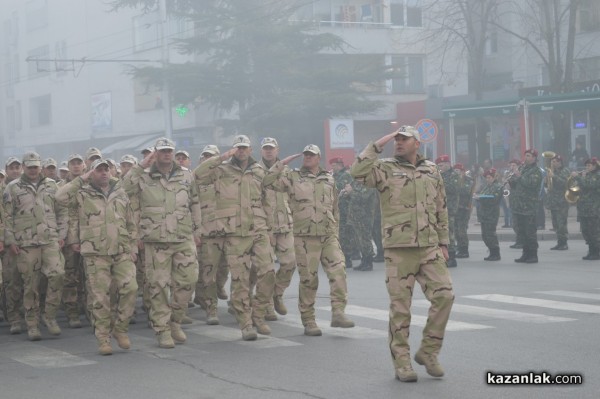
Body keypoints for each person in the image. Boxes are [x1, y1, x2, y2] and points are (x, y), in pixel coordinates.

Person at [350, 126, 454, 382]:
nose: (398, 143)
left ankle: (428, 352)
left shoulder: (431, 169)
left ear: (416, 143)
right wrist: (380, 142)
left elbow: (441, 207)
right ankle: (402, 363)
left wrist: (443, 242)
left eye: (403, 139)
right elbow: (357, 172)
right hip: (399, 250)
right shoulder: (384, 168)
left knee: (445, 296)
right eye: (396, 139)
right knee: (401, 309)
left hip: (429, 247)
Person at [263, 144, 355, 337]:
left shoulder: (329, 178)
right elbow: (268, 181)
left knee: (338, 271)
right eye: (305, 155)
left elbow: (335, 208)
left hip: (328, 235)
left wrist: (335, 232)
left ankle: (338, 312)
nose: (307, 158)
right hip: (305, 237)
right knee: (308, 280)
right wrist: (283, 162)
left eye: (311, 155)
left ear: (318, 157)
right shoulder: (293, 177)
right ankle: (309, 320)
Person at [194, 135, 275, 341]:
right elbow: (197, 175)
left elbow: (267, 198)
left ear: (250, 149)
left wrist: (271, 227)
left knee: (267, 272)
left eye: (244, 148)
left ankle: (258, 312)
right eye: (237, 148)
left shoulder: (259, 171)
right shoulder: (221, 170)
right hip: (234, 232)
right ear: (233, 150)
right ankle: (245, 322)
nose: (241, 151)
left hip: (258, 228)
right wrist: (221, 158)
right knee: (240, 279)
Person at [122, 137, 201, 348]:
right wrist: (141, 166)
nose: (166, 154)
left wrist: (198, 230)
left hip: (183, 236)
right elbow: (124, 188)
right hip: (156, 240)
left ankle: (175, 320)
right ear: (155, 153)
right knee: (158, 287)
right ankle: (162, 330)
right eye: (162, 151)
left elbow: (195, 202)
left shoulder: (186, 174)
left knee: (189, 280)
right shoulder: (143, 176)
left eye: (169, 151)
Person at [56, 159, 138, 355]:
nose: (103, 173)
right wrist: (82, 177)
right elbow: (59, 197)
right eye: (98, 170)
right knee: (100, 298)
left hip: (121, 249)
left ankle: (120, 328)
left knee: (131, 288)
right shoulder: (82, 192)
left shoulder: (120, 191)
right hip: (95, 252)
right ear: (91, 173)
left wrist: (133, 246)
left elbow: (130, 221)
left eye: (106, 169)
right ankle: (103, 338)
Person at [3, 152, 67, 341]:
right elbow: (7, 216)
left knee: (58, 275)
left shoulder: (51, 185)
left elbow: (62, 211)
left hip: (50, 240)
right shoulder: (12, 188)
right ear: (23, 167)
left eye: (35, 166)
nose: (32, 170)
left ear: (40, 167)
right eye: (29, 166)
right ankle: (32, 323)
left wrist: (61, 234)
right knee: (30, 284)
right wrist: (11, 240)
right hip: (26, 244)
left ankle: (50, 316)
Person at [258, 137, 297, 316]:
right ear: (261, 151)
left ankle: (277, 293)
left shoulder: (288, 171)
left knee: (289, 263)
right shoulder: (255, 171)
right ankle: (264, 303)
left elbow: (294, 193)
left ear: (277, 150)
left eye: (271, 148)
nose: (268, 151)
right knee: (265, 269)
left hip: (285, 224)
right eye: (266, 148)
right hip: (264, 226)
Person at [1, 157, 25, 334]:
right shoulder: (3, 190)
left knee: (30, 281)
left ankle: (29, 314)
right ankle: (14, 317)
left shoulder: (24, 188)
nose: (15, 171)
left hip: (26, 240)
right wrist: (6, 240)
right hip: (8, 242)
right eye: (12, 168)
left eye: (18, 167)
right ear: (6, 170)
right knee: (11, 281)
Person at [508, 149, 543, 263]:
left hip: (529, 206)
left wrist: (519, 175)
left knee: (530, 232)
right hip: (519, 206)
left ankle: (533, 255)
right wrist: (511, 179)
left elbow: (531, 184)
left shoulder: (536, 171)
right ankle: (525, 253)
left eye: (528, 156)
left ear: (534, 158)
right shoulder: (523, 168)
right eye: (525, 155)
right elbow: (515, 185)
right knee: (521, 231)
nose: (526, 158)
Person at [571, 158, 600, 260]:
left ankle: (596, 252)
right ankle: (591, 250)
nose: (587, 167)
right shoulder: (586, 176)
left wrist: (579, 178)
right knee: (585, 231)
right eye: (586, 165)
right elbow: (579, 188)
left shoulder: (597, 176)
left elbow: (589, 185)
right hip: (583, 208)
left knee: (594, 232)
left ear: (595, 166)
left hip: (593, 209)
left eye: (589, 165)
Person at [436, 155, 459, 267]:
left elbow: (453, 188)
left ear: (448, 164)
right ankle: (443, 256)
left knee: (449, 232)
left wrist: (439, 182)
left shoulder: (454, 175)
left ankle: (452, 257)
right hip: (440, 208)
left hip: (449, 208)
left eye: (441, 165)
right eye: (438, 165)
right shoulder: (440, 175)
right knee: (441, 232)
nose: (439, 167)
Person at [545, 154, 570, 250]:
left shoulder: (565, 171)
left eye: (554, 161)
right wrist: (547, 179)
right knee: (555, 224)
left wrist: (554, 176)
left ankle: (564, 243)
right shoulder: (553, 171)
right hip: (553, 202)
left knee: (561, 224)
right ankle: (559, 242)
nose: (552, 163)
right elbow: (548, 186)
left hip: (561, 202)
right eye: (552, 161)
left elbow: (564, 183)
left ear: (560, 162)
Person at [477, 168, 503, 261]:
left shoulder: (498, 186)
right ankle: (491, 251)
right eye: (486, 177)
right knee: (485, 235)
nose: (487, 179)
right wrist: (478, 197)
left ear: (493, 178)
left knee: (490, 234)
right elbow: (482, 194)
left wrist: (481, 198)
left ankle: (495, 253)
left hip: (491, 214)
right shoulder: (486, 186)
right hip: (484, 214)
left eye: (489, 177)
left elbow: (494, 199)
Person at [454, 163, 474, 259]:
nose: (455, 173)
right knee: (456, 230)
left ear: (462, 172)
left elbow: (465, 191)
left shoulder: (468, 180)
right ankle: (459, 247)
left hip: (465, 209)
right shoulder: (454, 180)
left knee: (462, 230)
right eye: (455, 171)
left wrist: (457, 183)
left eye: (457, 171)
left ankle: (464, 250)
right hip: (456, 209)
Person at [506, 159, 523, 249]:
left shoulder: (520, 174)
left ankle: (521, 241)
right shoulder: (511, 175)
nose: (512, 167)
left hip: (519, 202)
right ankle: (518, 241)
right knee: (514, 223)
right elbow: (509, 188)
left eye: (514, 165)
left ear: (518, 166)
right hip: (513, 201)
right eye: (511, 165)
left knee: (518, 223)